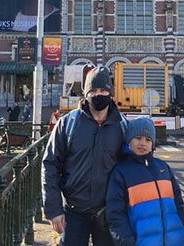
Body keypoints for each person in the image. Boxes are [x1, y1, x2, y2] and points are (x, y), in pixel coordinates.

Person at [42, 66, 127, 246]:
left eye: (103, 90)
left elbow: (131, 167)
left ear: (111, 93)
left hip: (108, 211)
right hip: (74, 212)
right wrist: (53, 209)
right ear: (86, 94)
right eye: (93, 90)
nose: (98, 94)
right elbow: (50, 165)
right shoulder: (68, 123)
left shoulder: (122, 126)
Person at [106, 117, 184, 246]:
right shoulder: (121, 172)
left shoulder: (163, 167)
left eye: (148, 139)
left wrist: (183, 227)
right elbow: (115, 213)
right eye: (138, 138)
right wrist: (126, 241)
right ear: (129, 140)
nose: (143, 143)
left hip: (173, 240)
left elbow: (177, 201)